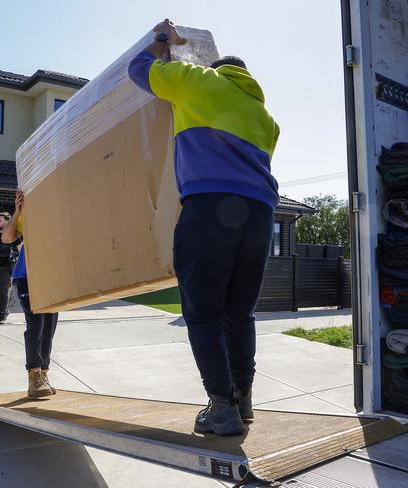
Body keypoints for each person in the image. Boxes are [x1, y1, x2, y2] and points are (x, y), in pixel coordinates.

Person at [128, 20, 280, 435]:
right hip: (261, 215)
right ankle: (243, 401)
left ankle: (221, 407)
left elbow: (137, 70)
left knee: (202, 312)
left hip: (210, 208)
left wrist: (161, 41)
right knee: (239, 313)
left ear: (218, 70)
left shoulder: (196, 81)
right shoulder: (266, 117)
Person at [2, 190, 58, 398]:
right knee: (36, 324)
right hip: (28, 275)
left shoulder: (58, 213)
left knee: (49, 326)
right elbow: (7, 238)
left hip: (53, 276)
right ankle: (33, 375)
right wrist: (17, 211)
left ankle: (44, 373)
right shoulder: (28, 213)